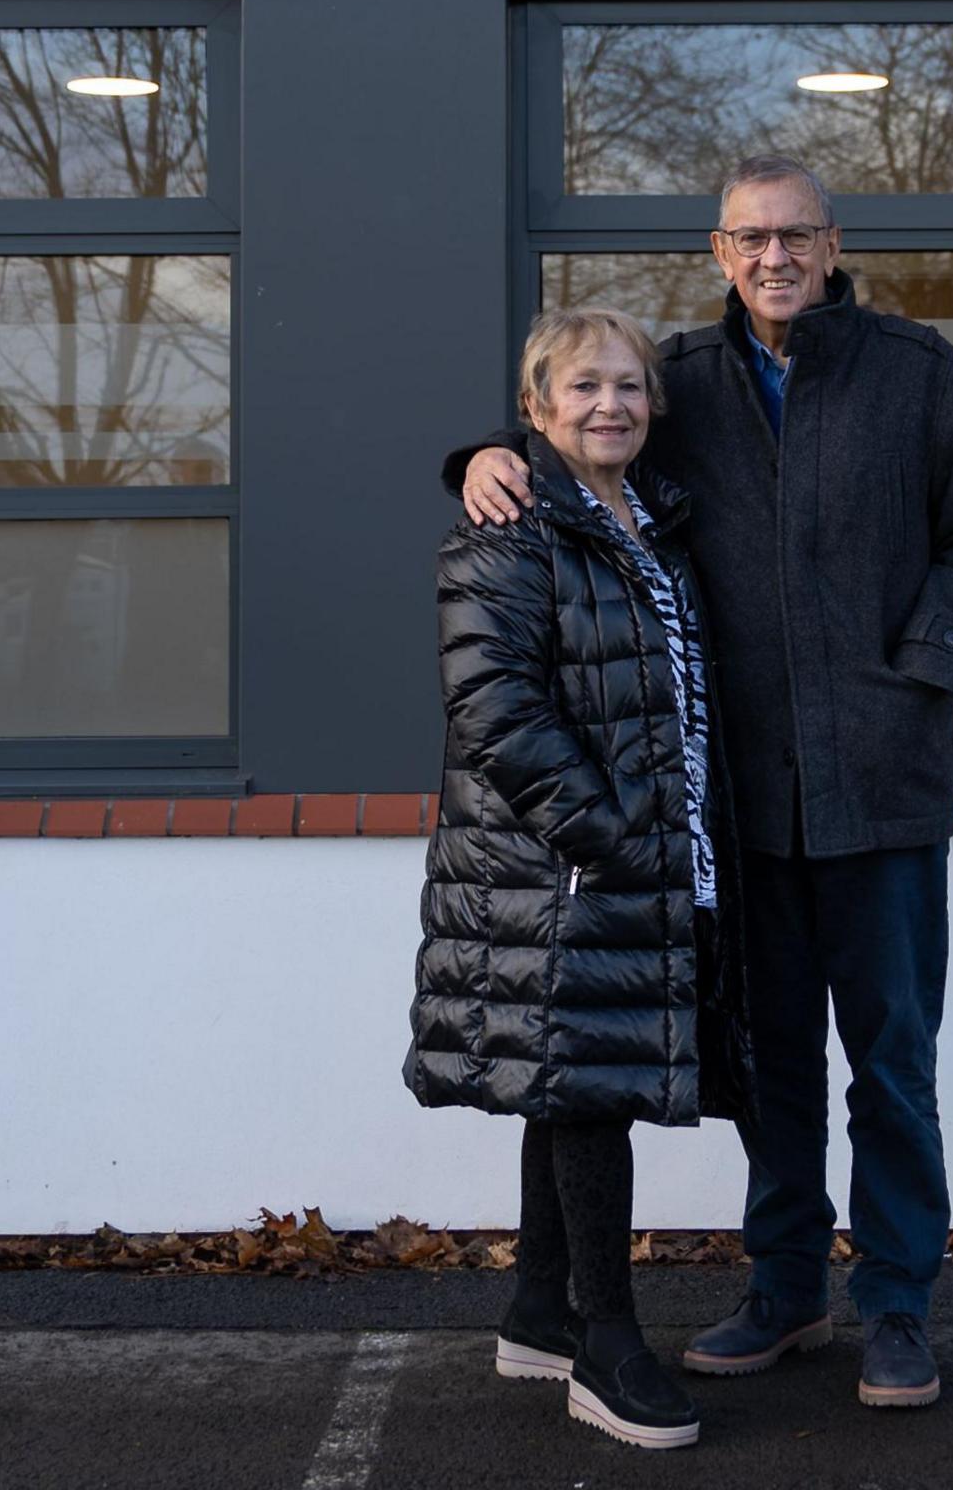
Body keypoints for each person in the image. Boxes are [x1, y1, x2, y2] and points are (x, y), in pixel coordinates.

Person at [454, 155, 953, 1411]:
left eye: (797, 237)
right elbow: (577, 428)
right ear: (719, 253)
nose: (775, 260)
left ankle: (898, 1307)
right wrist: (479, 458)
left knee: (892, 1061)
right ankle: (784, 1286)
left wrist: (921, 666)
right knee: (770, 1066)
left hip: (882, 785)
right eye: (751, 240)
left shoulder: (916, 372)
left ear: (831, 244)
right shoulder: (684, 384)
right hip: (740, 801)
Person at [407, 307, 747, 1453]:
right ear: (538, 408)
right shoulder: (506, 532)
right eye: (584, 387)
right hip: (563, 864)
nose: (611, 404)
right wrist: (604, 835)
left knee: (570, 1075)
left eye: (631, 387)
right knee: (594, 1089)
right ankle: (607, 1343)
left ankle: (538, 1309)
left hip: (642, 851)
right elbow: (495, 706)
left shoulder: (652, 523)